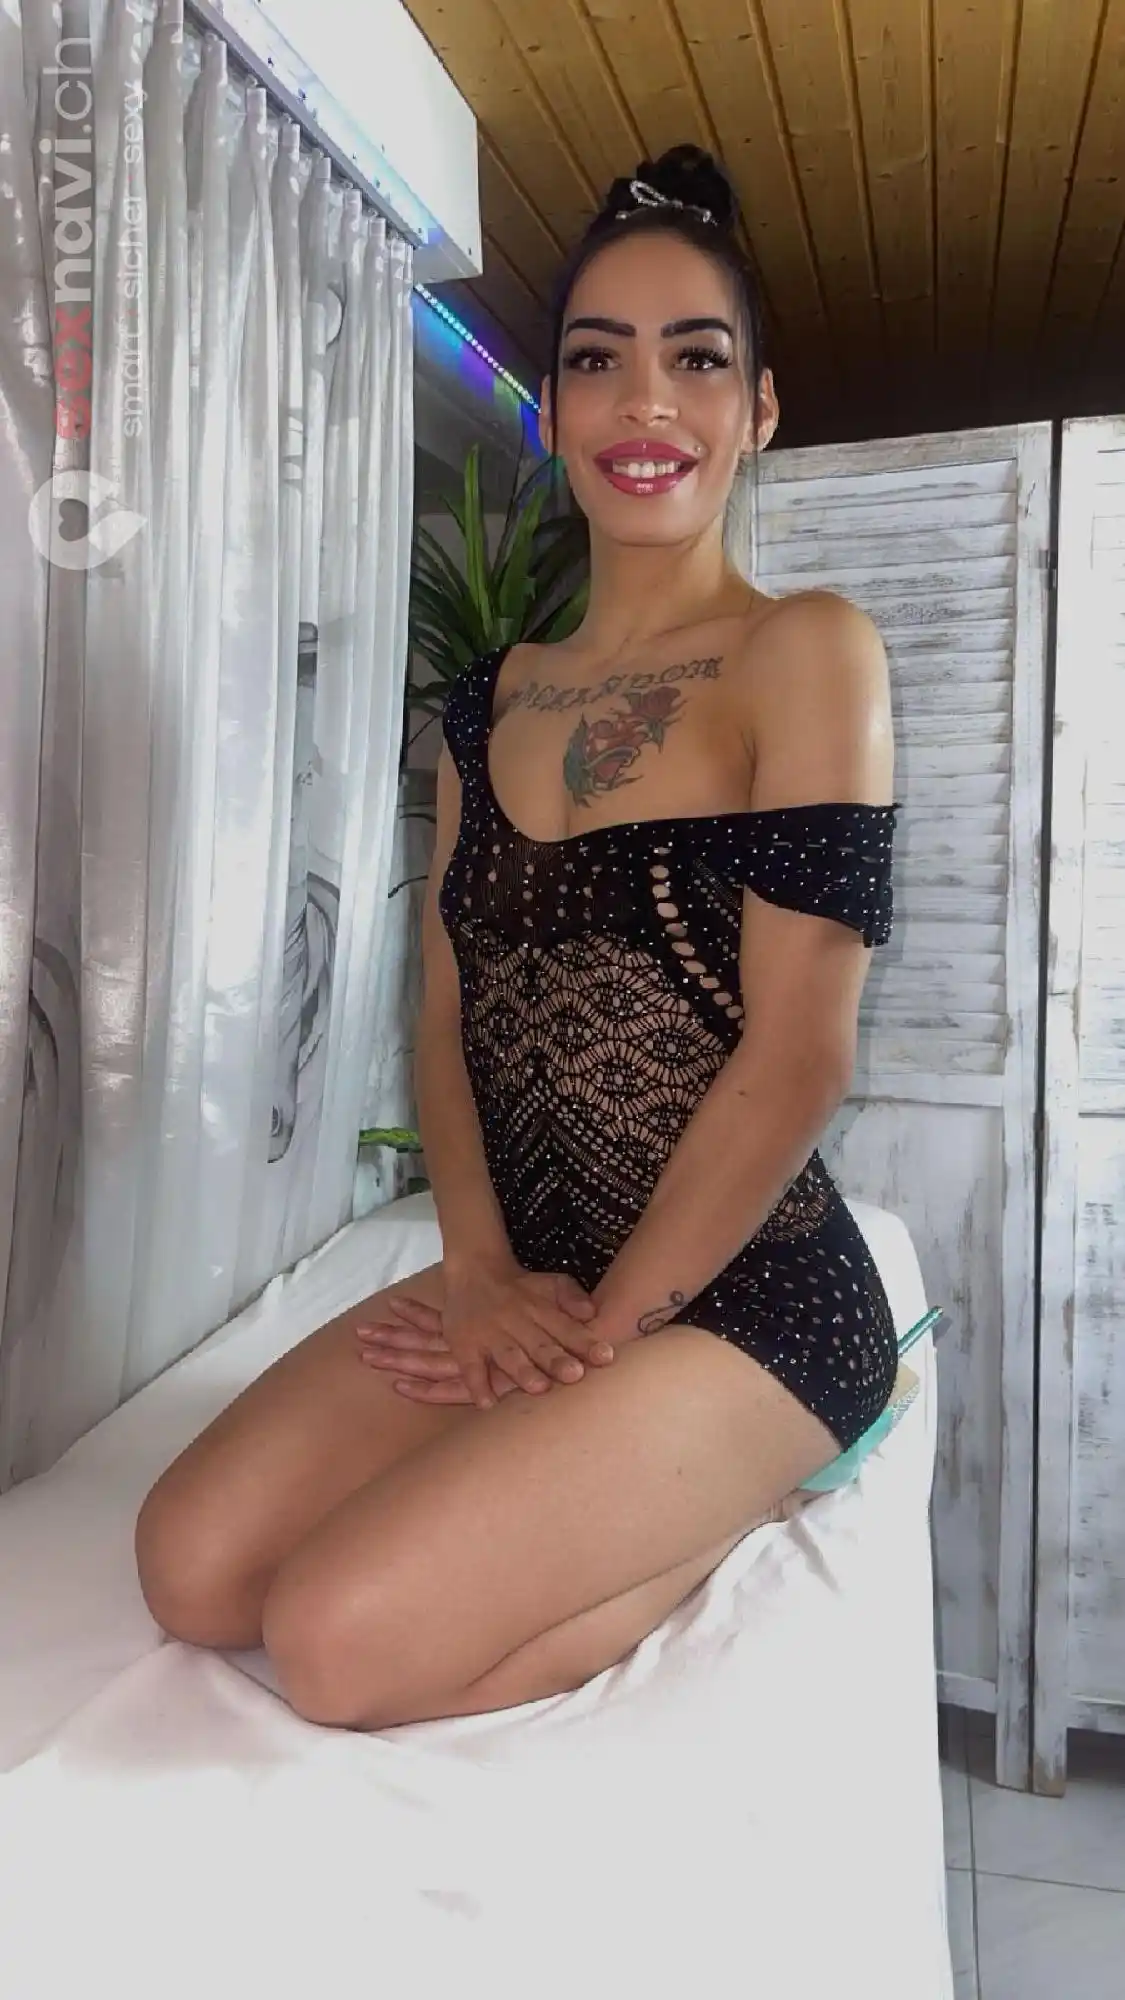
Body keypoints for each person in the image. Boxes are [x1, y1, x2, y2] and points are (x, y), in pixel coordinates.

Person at [134, 144, 899, 1733]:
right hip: (532, 1269)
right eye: (599, 361)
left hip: (745, 1292)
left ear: (759, 407)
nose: (647, 402)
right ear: (550, 410)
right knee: (192, 1570)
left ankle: (735, 1499)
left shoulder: (808, 652)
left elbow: (800, 1057)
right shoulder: (487, 705)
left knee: (332, 1642)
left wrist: (604, 1338)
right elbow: (444, 1016)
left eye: (698, 359)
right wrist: (481, 1280)